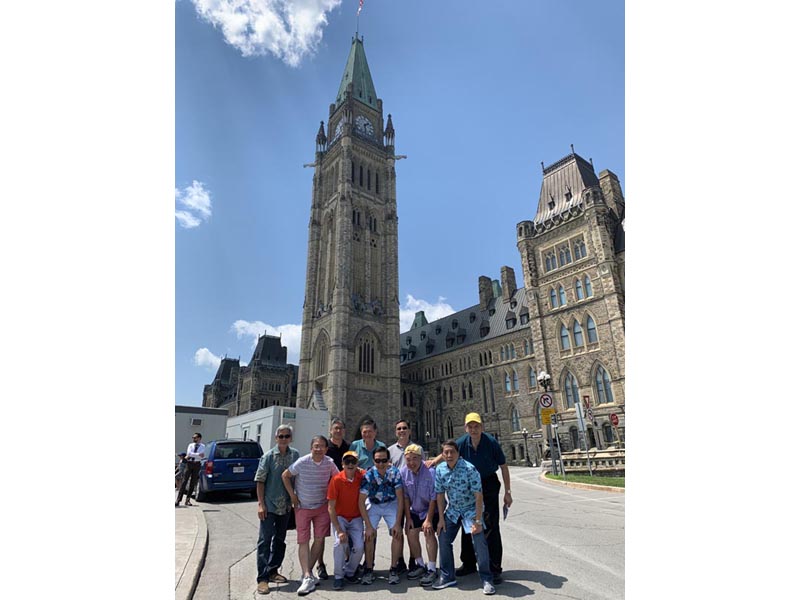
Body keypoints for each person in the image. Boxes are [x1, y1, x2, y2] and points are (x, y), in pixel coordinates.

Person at [426, 413, 511, 584]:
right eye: (470, 427)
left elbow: (503, 466)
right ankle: (469, 563)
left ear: (482, 427)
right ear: (466, 428)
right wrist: (433, 462)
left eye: (476, 426)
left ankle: (494, 569)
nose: (473, 430)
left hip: (487, 483)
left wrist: (507, 492)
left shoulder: (491, 442)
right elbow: (447, 451)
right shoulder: (463, 442)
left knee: (490, 526)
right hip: (468, 486)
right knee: (467, 521)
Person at [432, 440, 495, 596]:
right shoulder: (440, 470)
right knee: (443, 537)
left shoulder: (469, 469)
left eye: (452, 452)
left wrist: (478, 521)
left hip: (471, 510)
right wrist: (441, 519)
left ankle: (487, 578)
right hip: (453, 511)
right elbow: (440, 495)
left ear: (458, 453)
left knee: (479, 542)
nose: (449, 455)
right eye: (446, 452)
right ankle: (447, 576)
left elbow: (478, 496)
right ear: (442, 455)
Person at [282, 436, 339, 596]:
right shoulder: (302, 462)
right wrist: (292, 496)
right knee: (303, 541)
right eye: (316, 446)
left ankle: (307, 574)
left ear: (326, 449)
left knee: (319, 540)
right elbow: (285, 475)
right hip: (303, 507)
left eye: (322, 446)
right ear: (311, 448)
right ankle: (307, 575)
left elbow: (338, 478)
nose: (318, 449)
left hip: (321, 506)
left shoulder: (329, 463)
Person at [254, 424, 300, 595]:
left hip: (285, 506)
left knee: (280, 540)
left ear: (291, 438)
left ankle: (273, 570)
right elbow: (260, 481)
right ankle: (263, 578)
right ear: (276, 438)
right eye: (281, 436)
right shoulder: (268, 456)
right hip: (269, 505)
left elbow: (297, 477)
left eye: (287, 436)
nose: (283, 439)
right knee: (265, 541)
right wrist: (261, 504)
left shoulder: (295, 455)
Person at [358, 445, 404, 585]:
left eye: (384, 460)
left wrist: (398, 523)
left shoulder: (394, 473)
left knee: (397, 533)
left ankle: (394, 568)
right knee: (369, 535)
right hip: (374, 504)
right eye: (378, 461)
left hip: (391, 503)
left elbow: (400, 498)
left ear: (389, 461)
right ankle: (369, 569)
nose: (381, 464)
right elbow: (361, 501)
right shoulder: (369, 475)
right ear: (373, 461)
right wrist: (368, 526)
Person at [388, 419, 425, 573]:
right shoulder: (390, 450)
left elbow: (423, 469)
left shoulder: (417, 448)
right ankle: (399, 560)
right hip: (396, 497)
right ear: (396, 432)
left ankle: (413, 559)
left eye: (404, 428)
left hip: (413, 496)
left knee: (411, 529)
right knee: (397, 529)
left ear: (409, 431)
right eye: (399, 428)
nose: (402, 431)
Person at [399, 444, 439, 586]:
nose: (411, 462)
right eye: (408, 459)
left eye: (415, 459)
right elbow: (405, 497)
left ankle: (432, 568)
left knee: (428, 532)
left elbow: (434, 497)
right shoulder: (403, 472)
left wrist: (428, 520)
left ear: (421, 458)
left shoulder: (430, 472)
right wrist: (408, 518)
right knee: (410, 532)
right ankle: (420, 564)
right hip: (415, 510)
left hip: (431, 509)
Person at [316, 417, 350, 581]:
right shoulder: (325, 448)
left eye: (340, 428)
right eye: (335, 428)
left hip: (344, 496)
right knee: (321, 533)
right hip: (325, 495)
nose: (338, 431)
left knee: (345, 531)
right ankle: (320, 564)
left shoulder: (348, 448)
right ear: (330, 430)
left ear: (344, 431)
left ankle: (347, 563)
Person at [326, 450, 366, 590]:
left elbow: (374, 474)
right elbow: (331, 507)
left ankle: (349, 572)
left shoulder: (361, 476)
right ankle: (338, 576)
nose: (350, 464)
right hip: (340, 517)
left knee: (359, 546)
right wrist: (339, 530)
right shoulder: (336, 480)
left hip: (356, 517)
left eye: (353, 461)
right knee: (339, 543)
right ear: (342, 464)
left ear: (357, 464)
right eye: (347, 461)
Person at [176, 432, 205, 506]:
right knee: (184, 481)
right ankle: (178, 500)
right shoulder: (190, 445)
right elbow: (189, 454)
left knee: (193, 482)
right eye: (193, 437)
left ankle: (187, 500)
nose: (193, 439)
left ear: (199, 438)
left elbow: (202, 456)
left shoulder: (203, 446)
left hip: (197, 464)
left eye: (195, 437)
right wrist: (198, 454)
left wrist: (194, 455)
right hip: (189, 464)